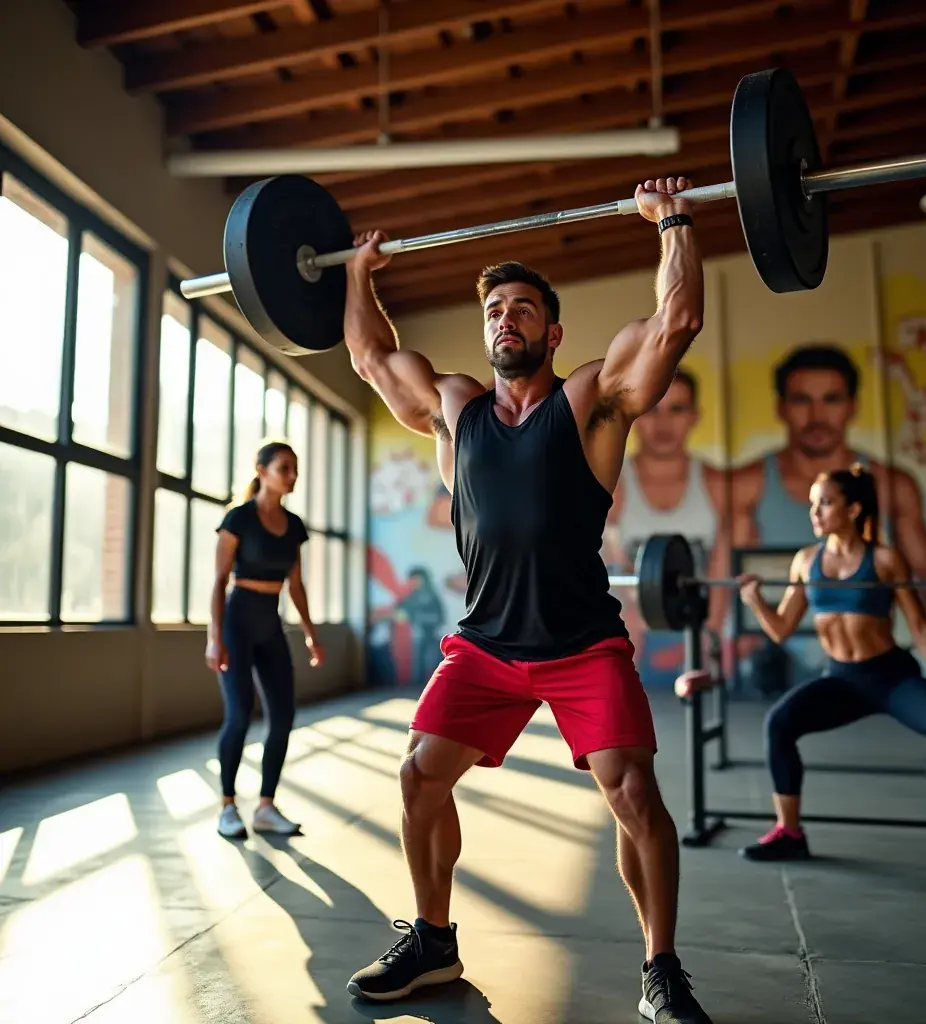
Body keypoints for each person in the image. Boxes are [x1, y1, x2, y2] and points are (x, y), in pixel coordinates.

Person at [343, 177, 714, 1024]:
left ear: (552, 329)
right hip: (485, 646)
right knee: (418, 777)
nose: (503, 319)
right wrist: (358, 275)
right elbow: (370, 359)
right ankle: (434, 942)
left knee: (631, 795)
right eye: (493, 310)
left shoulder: (591, 402)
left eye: (520, 308)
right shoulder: (453, 409)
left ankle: (660, 968)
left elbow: (675, 323)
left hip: (582, 641)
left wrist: (676, 224)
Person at [731, 463, 926, 881]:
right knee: (779, 723)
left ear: (853, 509)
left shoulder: (885, 560)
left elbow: (921, 625)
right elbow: (780, 629)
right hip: (841, 681)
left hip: (892, 679)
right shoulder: (806, 561)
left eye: (825, 503)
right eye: (813, 504)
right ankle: (789, 832)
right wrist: (755, 599)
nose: (814, 512)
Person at [730, 344, 926, 632]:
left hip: (875, 651)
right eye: (801, 400)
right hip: (783, 659)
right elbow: (731, 588)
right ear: (781, 408)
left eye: (831, 399)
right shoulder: (749, 483)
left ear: (852, 406)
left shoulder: (896, 485)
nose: (817, 415)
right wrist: (752, 602)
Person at [206, 440, 325, 840]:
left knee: (284, 716)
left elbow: (296, 585)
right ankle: (227, 808)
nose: (292, 476)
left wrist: (310, 634)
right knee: (239, 715)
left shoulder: (293, 526)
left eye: (295, 469)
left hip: (270, 624)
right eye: (284, 468)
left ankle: (265, 807)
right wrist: (214, 637)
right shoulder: (238, 519)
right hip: (237, 622)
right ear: (261, 470)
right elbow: (219, 581)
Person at [604, 369, 730, 666]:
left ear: (694, 416)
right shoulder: (612, 484)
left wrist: (703, 641)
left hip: (702, 638)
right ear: (635, 415)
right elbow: (612, 570)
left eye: (676, 409)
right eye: (652, 410)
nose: (663, 423)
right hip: (628, 639)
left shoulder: (718, 484)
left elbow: (722, 576)